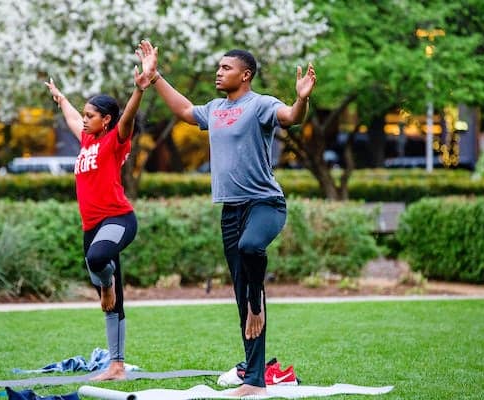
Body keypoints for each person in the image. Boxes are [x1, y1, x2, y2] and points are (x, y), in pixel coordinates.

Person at [136, 39, 316, 397]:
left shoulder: (260, 104)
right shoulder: (216, 109)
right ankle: (254, 381)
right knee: (240, 291)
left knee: (252, 249)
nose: (218, 72)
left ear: (245, 75)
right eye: (218, 67)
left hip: (265, 203)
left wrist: (302, 99)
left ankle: (256, 302)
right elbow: (186, 111)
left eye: (226, 68)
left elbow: (292, 119)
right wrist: (155, 77)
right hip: (230, 210)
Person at [44, 62, 149, 381]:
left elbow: (128, 117)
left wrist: (139, 89)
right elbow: (74, 118)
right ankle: (116, 366)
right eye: (85, 115)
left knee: (98, 259)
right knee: (110, 305)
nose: (85, 119)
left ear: (106, 120)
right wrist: (62, 99)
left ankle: (108, 283)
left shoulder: (115, 141)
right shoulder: (87, 141)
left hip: (118, 218)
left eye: (92, 116)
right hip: (91, 227)